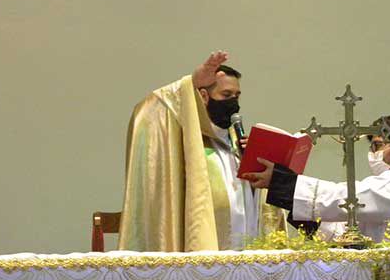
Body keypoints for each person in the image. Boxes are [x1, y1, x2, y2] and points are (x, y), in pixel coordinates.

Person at [118, 50, 284, 251]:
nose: (233, 102)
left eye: (236, 96)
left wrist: (258, 167)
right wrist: (191, 83)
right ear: (204, 96)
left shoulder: (237, 144)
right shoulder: (187, 143)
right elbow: (148, 114)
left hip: (245, 252)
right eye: (226, 95)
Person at [243, 115, 390, 242]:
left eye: (377, 145)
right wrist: (289, 197)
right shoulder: (388, 184)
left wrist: (283, 182)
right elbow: (340, 233)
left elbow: (343, 198)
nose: (372, 153)